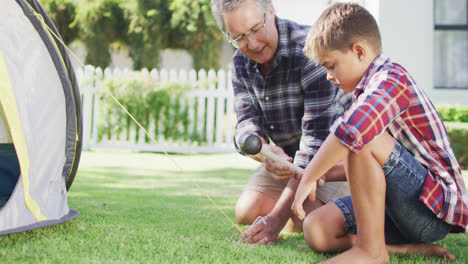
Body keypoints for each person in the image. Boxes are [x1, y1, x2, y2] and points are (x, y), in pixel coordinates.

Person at [291, 3, 468, 263]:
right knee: (316, 229)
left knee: (363, 137)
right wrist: (325, 173)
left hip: (429, 213)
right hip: (394, 207)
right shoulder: (367, 94)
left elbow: (354, 131)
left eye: (331, 66)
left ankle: (370, 252)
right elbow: (378, 166)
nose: (328, 76)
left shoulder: (392, 80)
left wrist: (310, 175)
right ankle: (400, 249)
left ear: (359, 52)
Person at [210, 0, 353, 244]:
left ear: (271, 11)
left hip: (335, 158)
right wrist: (264, 153)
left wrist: (276, 220)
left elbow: (315, 146)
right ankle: (302, 212)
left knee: (312, 222)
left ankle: (316, 214)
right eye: (240, 38)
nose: (252, 44)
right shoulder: (240, 63)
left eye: (256, 29)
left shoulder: (311, 50)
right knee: (246, 211)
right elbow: (245, 125)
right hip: (288, 159)